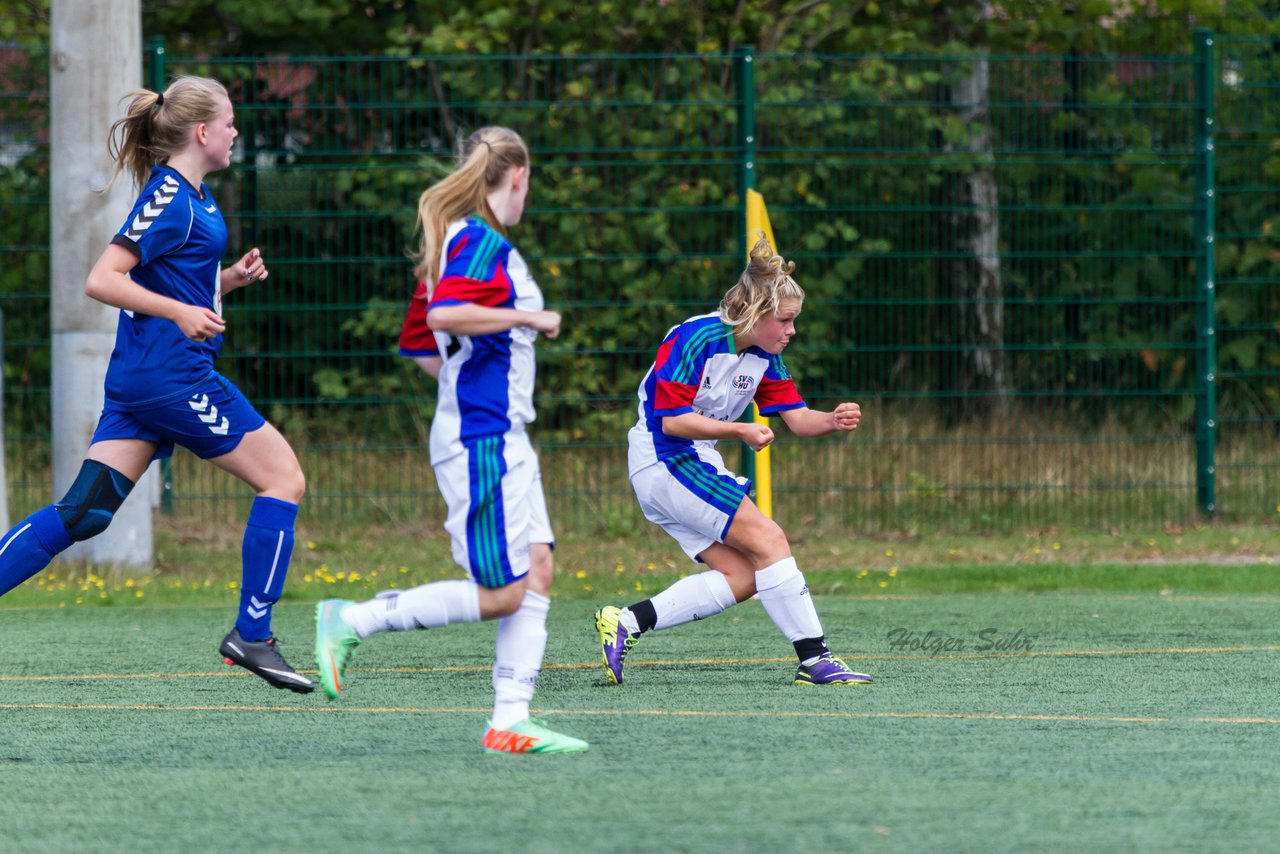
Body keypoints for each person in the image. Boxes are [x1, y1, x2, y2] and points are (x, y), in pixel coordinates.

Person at [0, 77, 313, 693]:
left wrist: (223, 283)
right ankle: (252, 634)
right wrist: (178, 313)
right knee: (284, 479)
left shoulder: (195, 198)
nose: (235, 133)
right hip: (174, 380)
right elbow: (103, 278)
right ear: (202, 132)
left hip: (142, 382)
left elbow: (172, 284)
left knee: (85, 511)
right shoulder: (171, 196)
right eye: (229, 123)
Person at [315, 126, 588, 755]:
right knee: (503, 593)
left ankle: (509, 720)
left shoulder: (455, 242)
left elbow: (417, 339)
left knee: (538, 565)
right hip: (482, 438)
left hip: (500, 430)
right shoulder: (481, 241)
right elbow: (441, 319)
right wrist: (527, 317)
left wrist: (465, 381)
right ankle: (353, 619)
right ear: (517, 176)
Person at [593, 236, 874, 688]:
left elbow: (798, 420)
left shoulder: (766, 356)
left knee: (744, 575)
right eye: (785, 320)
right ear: (757, 312)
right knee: (769, 537)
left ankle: (626, 622)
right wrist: (740, 429)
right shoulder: (696, 337)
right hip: (666, 458)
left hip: (686, 463)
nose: (791, 331)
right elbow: (672, 424)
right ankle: (815, 658)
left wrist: (832, 419)